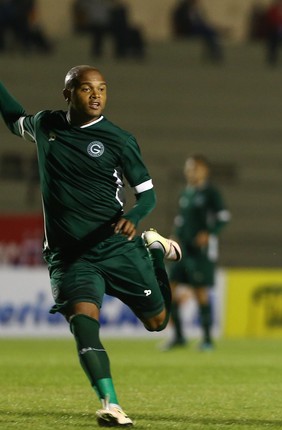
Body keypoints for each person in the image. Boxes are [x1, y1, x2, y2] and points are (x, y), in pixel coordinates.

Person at [0, 65, 183, 427]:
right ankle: (111, 404)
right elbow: (13, 119)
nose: (96, 95)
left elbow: (147, 194)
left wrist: (135, 216)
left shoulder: (118, 139)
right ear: (67, 94)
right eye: (86, 89)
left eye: (101, 88)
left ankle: (156, 250)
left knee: (158, 323)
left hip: (116, 246)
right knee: (83, 323)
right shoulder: (46, 126)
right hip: (69, 257)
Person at [163, 154, 230, 351]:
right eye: (188, 168)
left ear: (204, 170)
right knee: (170, 288)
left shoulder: (211, 193)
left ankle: (208, 339)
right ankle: (179, 337)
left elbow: (224, 217)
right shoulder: (186, 193)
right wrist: (174, 236)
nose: (190, 172)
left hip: (201, 251)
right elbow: (181, 220)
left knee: (200, 291)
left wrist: (209, 234)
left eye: (195, 168)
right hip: (182, 249)